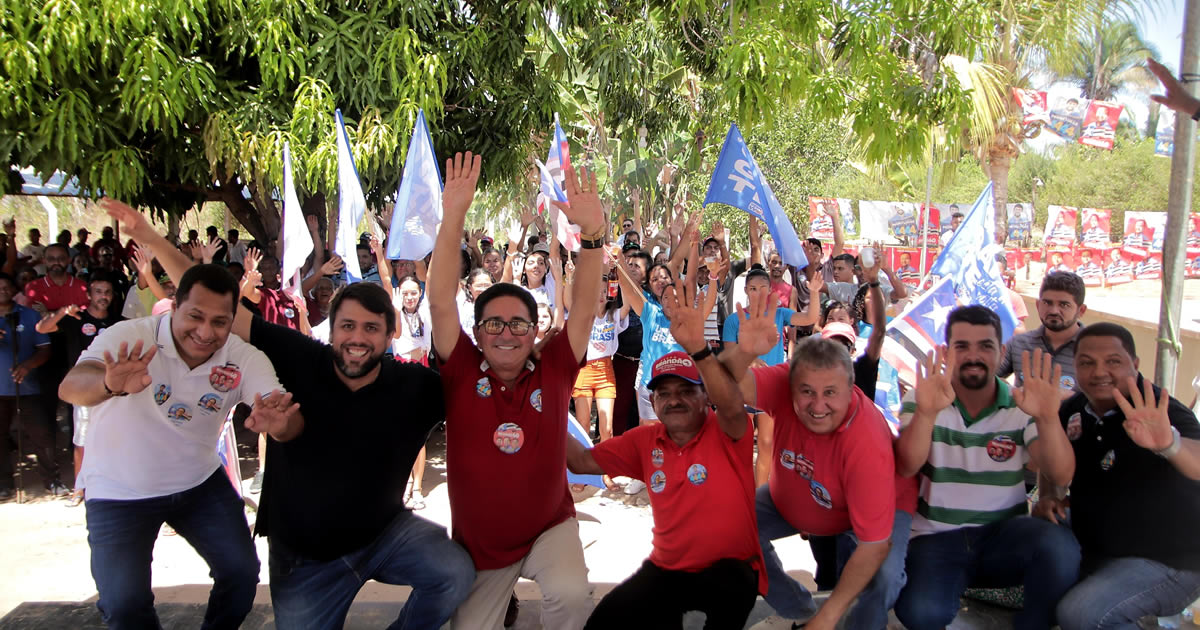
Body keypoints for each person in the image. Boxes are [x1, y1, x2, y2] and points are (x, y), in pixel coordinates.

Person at [109, 198, 475, 630]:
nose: (357, 338)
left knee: (453, 573)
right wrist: (150, 237)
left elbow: (481, 379)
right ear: (330, 329)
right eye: (347, 326)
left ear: (391, 332)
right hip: (306, 561)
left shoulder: (418, 386)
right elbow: (214, 303)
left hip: (386, 536)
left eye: (371, 328)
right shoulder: (300, 357)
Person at [59, 247, 292, 629]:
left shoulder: (243, 356)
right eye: (195, 316)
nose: (205, 332)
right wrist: (108, 382)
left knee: (240, 574)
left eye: (220, 322)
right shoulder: (131, 336)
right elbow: (70, 387)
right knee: (124, 605)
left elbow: (279, 412)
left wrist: (278, 422)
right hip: (118, 491)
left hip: (198, 483)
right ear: (174, 306)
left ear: (233, 320)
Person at [429, 153, 605, 630]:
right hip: (481, 549)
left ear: (534, 331)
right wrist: (454, 219)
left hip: (551, 530)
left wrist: (593, 241)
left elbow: (585, 311)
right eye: (494, 323)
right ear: (478, 331)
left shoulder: (554, 367)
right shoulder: (462, 368)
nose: (506, 333)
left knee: (571, 598)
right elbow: (440, 301)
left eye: (518, 324)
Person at [567, 277, 764, 628]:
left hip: (731, 570)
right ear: (653, 400)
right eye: (664, 392)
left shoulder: (727, 429)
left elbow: (733, 406)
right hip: (669, 571)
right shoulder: (645, 441)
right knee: (604, 623)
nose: (674, 399)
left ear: (706, 398)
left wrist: (700, 351)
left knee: (730, 592)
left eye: (686, 391)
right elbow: (579, 460)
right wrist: (545, 401)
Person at [718, 291, 914, 630]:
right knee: (727, 529)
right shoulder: (784, 379)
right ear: (791, 383)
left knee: (881, 580)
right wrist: (745, 351)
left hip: (871, 509)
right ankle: (796, 607)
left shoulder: (867, 442)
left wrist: (827, 619)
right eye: (807, 391)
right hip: (797, 497)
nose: (818, 404)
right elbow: (723, 386)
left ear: (852, 388)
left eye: (830, 393)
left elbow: (873, 547)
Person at [893, 305, 1080, 630]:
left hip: (1002, 538)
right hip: (935, 539)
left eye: (986, 346)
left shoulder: (1022, 405)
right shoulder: (922, 398)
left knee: (1059, 547)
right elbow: (908, 466)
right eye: (962, 346)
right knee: (921, 615)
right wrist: (925, 414)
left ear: (1002, 351)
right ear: (946, 351)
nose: (973, 356)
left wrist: (1047, 417)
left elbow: (1061, 473)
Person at [1031, 322, 1200, 629]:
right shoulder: (1073, 410)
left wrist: (1169, 444)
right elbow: (1050, 460)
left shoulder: (1159, 411)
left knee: (1081, 613)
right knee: (1029, 541)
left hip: (1169, 561)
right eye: (1087, 363)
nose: (1099, 372)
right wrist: (1049, 496)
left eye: (1113, 362)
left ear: (1134, 365)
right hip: (1098, 547)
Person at [35, 271, 124, 505]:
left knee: (114, 438)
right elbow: (42, 328)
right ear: (90, 293)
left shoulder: (118, 322)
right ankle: (79, 489)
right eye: (98, 292)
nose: (103, 296)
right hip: (83, 388)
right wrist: (63, 311)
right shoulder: (76, 319)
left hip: (112, 389)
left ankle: (112, 486)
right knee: (81, 440)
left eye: (107, 292)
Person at [723, 268, 818, 485]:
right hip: (743, 387)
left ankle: (760, 494)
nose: (758, 293)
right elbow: (729, 354)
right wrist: (750, 358)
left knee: (767, 443)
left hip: (771, 388)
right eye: (753, 288)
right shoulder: (734, 319)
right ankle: (740, 489)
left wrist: (813, 292)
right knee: (741, 443)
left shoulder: (781, 314)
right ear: (746, 290)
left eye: (763, 288)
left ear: (770, 290)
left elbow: (810, 317)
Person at [0, 271, 56, 500]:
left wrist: (28, 365)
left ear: (15, 291)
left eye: (6, 286)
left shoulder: (30, 316)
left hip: (27, 387)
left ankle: (52, 480)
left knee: (41, 434)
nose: (2, 290)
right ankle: (4, 483)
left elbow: (45, 350)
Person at [999, 271, 1086, 393]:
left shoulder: (1094, 349)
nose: (1054, 311)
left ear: (1081, 310)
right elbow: (988, 377)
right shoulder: (1019, 343)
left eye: (1064, 305)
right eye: (1047, 303)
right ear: (1038, 305)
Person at [24, 243, 89, 314]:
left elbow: (83, 316)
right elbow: (34, 317)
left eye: (61, 258)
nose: (56, 262)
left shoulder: (82, 286)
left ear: (69, 260)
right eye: (51, 259)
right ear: (44, 261)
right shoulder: (33, 287)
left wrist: (48, 313)